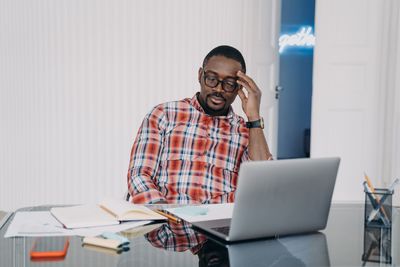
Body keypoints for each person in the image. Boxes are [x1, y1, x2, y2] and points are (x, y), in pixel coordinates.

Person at [127, 45, 272, 204]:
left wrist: (254, 117)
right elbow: (139, 175)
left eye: (229, 83)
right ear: (200, 75)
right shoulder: (164, 114)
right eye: (211, 79)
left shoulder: (246, 130)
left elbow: (263, 185)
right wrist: (164, 214)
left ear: (239, 87)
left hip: (220, 227)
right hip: (167, 224)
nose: (218, 89)